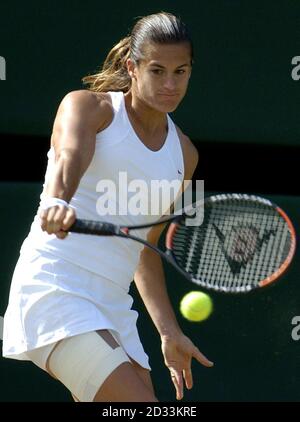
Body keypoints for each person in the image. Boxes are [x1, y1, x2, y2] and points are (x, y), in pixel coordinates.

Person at [2, 12, 213, 402]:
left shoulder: (184, 154)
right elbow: (69, 157)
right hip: (56, 287)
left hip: (114, 308)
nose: (170, 84)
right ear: (132, 67)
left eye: (180, 72)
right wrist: (56, 202)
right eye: (157, 70)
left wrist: (168, 331)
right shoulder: (89, 108)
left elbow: (144, 251)